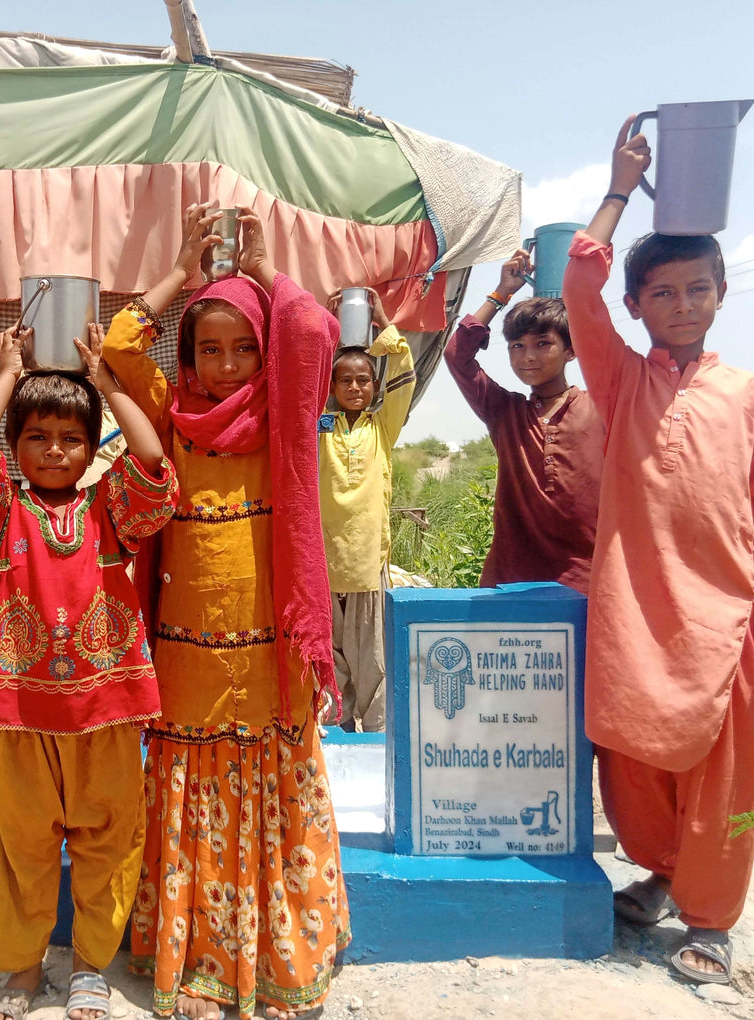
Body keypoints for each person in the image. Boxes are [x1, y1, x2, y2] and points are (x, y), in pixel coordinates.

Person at [103, 203, 350, 1020]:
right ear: (188, 352)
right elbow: (116, 349)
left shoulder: (283, 413)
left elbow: (313, 327)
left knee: (265, 795)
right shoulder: (170, 414)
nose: (227, 365)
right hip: (184, 657)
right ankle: (201, 964)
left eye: (245, 347)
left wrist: (265, 267)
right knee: (190, 797)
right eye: (209, 348)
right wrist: (181, 267)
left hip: (271, 652)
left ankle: (278, 961)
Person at [0, 320, 178, 1020]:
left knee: (108, 843)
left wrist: (105, 382)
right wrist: (7, 372)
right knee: (23, 849)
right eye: (36, 437)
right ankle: (22, 971)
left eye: (72, 438)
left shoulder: (112, 512)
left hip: (105, 708)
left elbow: (154, 457)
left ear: (90, 448)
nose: (54, 450)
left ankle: (92, 966)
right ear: (18, 447)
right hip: (20, 715)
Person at [562, 116, 754, 986]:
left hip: (727, 619)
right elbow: (578, 281)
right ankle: (663, 871)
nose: (682, 306)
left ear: (722, 294)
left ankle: (710, 915)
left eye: (698, 290)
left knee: (723, 774)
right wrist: (616, 186)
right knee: (634, 756)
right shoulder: (622, 376)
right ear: (638, 307)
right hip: (635, 612)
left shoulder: (744, 393)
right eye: (664, 293)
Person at [443, 252, 604, 594]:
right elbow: (457, 354)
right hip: (512, 580)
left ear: (571, 351)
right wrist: (501, 293)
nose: (528, 356)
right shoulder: (505, 411)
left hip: (587, 582)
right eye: (517, 346)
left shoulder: (601, 407)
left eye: (543, 344)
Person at [319, 289, 416, 731]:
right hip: (323, 561)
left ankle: (376, 738)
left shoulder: (383, 426)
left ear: (374, 388)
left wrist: (382, 321)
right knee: (330, 655)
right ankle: (336, 735)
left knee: (373, 656)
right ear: (333, 387)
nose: (355, 388)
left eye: (364, 381)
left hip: (366, 564)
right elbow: (304, 381)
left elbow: (405, 374)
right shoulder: (321, 425)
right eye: (345, 381)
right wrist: (323, 322)